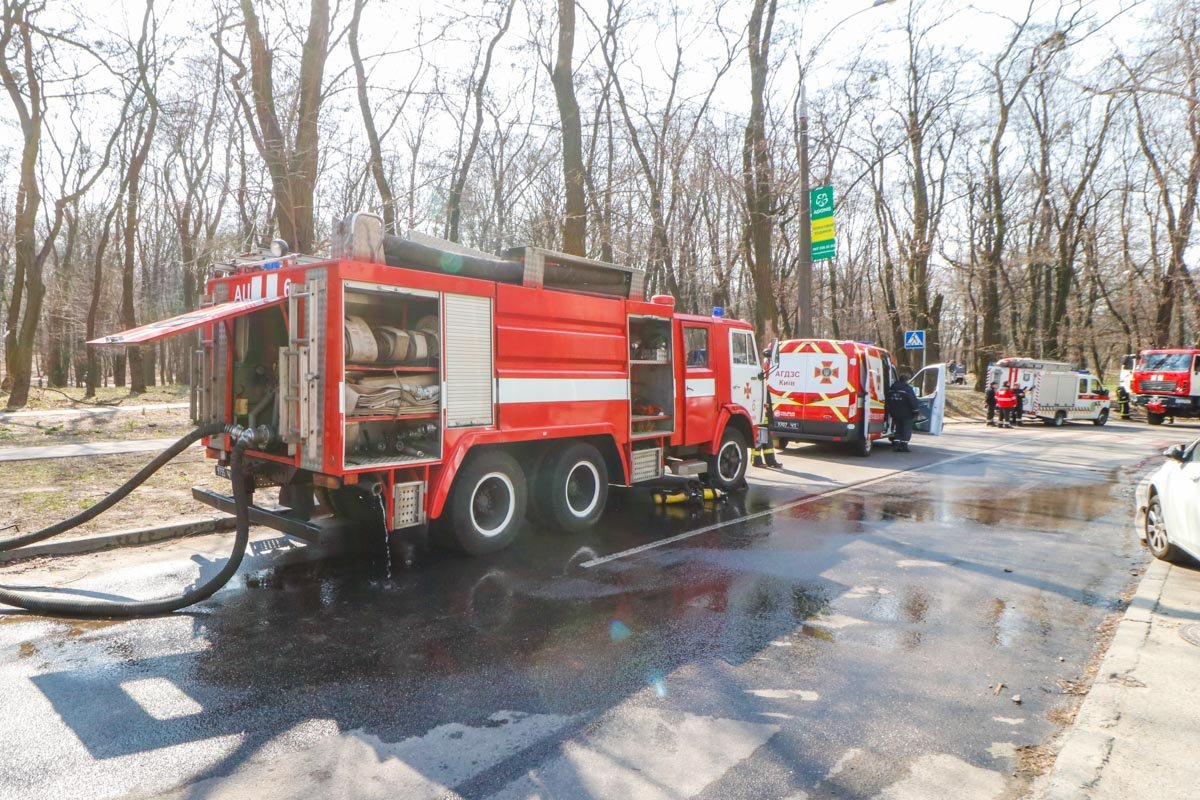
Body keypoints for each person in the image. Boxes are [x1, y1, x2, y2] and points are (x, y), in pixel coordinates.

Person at [752, 347, 782, 468]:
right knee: (758, 436)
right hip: (759, 412)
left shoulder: (764, 376)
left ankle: (771, 460)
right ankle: (756, 460)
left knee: (767, 436)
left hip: (764, 411)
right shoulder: (759, 372)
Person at [886, 371, 921, 452]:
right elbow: (912, 401)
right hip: (907, 413)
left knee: (898, 429)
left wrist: (890, 411)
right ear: (906, 380)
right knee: (906, 429)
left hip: (895, 413)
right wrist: (916, 411)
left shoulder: (892, 389)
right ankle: (904, 446)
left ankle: (896, 445)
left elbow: (888, 400)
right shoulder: (907, 389)